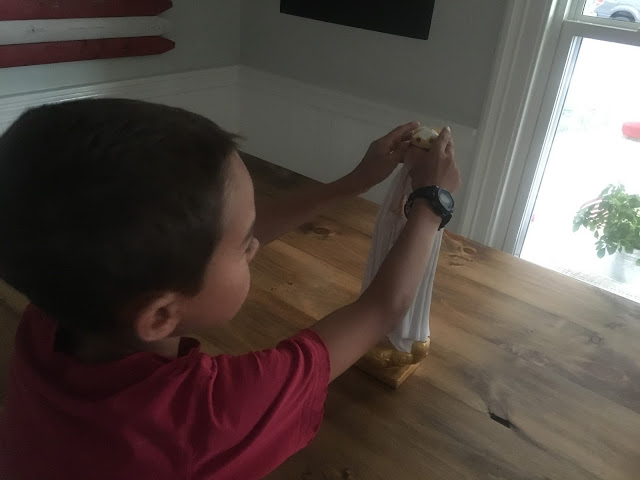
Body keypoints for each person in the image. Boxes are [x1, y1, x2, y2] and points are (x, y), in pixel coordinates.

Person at [0, 98, 460, 479]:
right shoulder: (210, 418)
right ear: (160, 316)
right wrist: (432, 202)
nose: (255, 246)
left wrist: (354, 183)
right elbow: (381, 309)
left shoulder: (52, 315)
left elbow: (218, 237)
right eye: (243, 246)